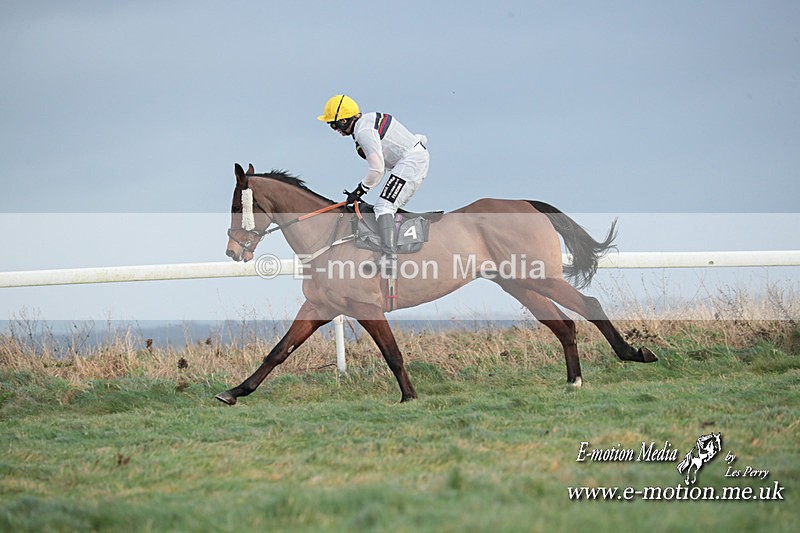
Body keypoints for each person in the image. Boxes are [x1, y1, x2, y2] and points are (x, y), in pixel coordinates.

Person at [317, 94, 429, 266]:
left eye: (334, 124)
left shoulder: (363, 132)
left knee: (384, 207)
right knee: (384, 206)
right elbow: (380, 169)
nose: (334, 129)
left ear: (345, 121)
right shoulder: (366, 123)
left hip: (411, 162)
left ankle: (389, 258)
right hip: (410, 159)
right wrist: (363, 189)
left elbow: (377, 169)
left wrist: (360, 190)